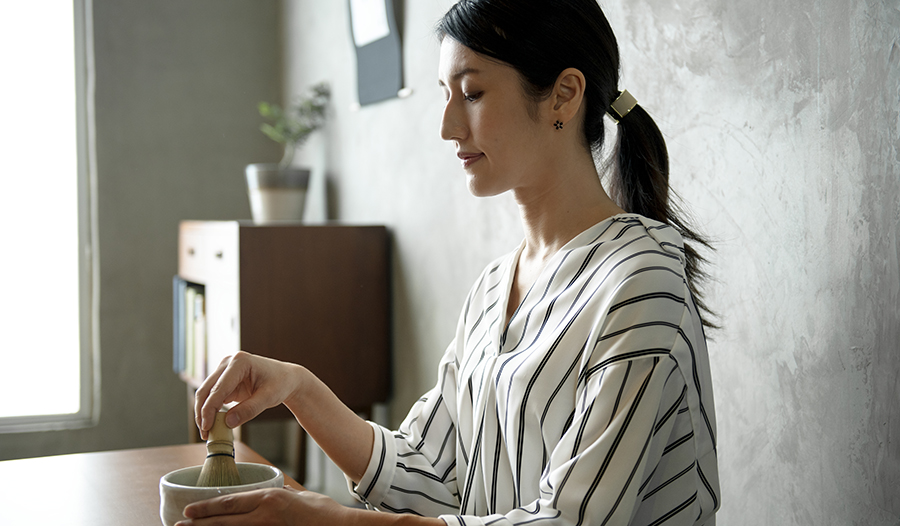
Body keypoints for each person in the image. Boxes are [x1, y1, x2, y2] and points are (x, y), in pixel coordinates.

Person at [178, 0, 720, 524]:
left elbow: (569, 520)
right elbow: (428, 472)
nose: (447, 127)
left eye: (473, 93)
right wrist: (299, 388)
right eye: (445, 95)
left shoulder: (642, 282)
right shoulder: (493, 288)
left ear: (564, 95)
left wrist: (335, 523)